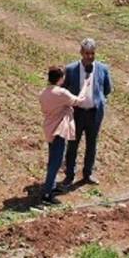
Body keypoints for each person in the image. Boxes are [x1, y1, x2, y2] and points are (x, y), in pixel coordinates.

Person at [38, 65, 93, 204]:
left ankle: (52, 186)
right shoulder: (61, 93)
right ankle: (47, 195)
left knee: (52, 159)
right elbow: (79, 101)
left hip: (49, 128)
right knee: (55, 163)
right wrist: (86, 86)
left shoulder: (43, 93)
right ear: (60, 78)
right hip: (58, 131)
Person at [62, 38, 113, 187]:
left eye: (92, 53)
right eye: (86, 53)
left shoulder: (102, 68)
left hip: (94, 113)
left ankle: (88, 174)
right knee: (73, 144)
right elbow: (64, 89)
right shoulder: (71, 69)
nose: (89, 57)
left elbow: (107, 88)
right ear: (81, 53)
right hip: (76, 113)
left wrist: (100, 100)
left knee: (92, 144)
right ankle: (69, 175)